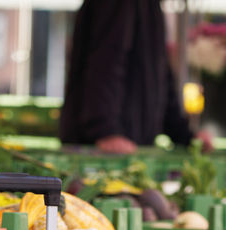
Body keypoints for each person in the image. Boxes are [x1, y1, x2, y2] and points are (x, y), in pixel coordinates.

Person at [59, 0, 213, 154]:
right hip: (101, 149)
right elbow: (105, 61)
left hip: (130, 145)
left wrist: (187, 137)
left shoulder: (152, 6)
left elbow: (161, 77)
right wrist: (106, 131)